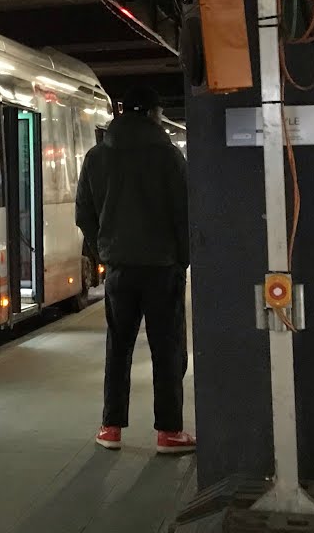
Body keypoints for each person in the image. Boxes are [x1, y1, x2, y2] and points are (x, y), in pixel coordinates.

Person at [75, 85, 194, 454]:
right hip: (162, 268)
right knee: (167, 347)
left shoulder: (97, 156)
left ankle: (110, 428)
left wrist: (105, 251)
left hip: (119, 269)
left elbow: (84, 214)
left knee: (118, 347)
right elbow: (185, 213)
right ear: (155, 114)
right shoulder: (169, 156)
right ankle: (169, 432)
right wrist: (182, 258)